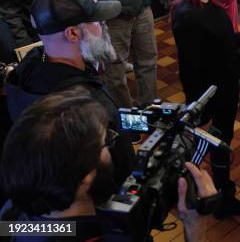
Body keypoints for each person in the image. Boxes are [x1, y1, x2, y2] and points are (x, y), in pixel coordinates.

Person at [1, 91, 217, 241]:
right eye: (107, 141)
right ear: (84, 176)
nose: (112, 147)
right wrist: (195, 226)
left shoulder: (12, 215)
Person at [4, 0, 135, 184]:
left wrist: (141, 121)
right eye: (97, 21)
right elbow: (118, 173)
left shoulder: (29, 66)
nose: (104, 25)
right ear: (73, 34)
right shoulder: (89, 106)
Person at [170, 0, 240, 218]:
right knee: (219, 143)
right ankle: (221, 200)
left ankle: (221, 193)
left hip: (224, 86)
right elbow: (190, 70)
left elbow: (221, 40)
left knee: (222, 141)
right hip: (214, 94)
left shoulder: (205, 3)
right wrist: (198, 108)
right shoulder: (188, 16)